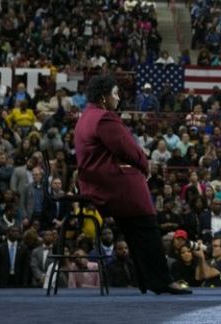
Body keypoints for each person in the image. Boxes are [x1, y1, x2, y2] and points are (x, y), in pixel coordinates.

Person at [73, 75, 190, 295]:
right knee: (146, 223)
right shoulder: (104, 118)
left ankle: (147, 280)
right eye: (115, 94)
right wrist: (145, 166)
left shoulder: (85, 116)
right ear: (103, 97)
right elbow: (128, 149)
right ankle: (162, 280)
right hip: (108, 184)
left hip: (95, 182)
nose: (118, 98)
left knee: (134, 227)